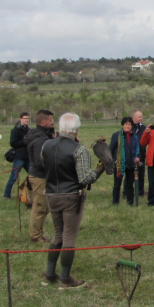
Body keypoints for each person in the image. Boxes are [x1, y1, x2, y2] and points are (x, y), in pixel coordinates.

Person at [40, 113, 106, 289]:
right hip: (71, 196)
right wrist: (101, 168)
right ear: (76, 129)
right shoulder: (79, 149)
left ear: (61, 128)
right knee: (69, 236)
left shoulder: (46, 145)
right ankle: (65, 278)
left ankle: (49, 275)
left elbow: (43, 165)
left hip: (51, 194)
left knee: (57, 233)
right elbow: (85, 179)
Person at [24, 109, 55, 242]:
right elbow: (39, 161)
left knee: (45, 207)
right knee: (39, 207)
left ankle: (39, 233)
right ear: (44, 122)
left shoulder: (43, 136)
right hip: (39, 177)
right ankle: (35, 236)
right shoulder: (39, 140)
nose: (53, 122)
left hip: (44, 176)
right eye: (50, 120)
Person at [109, 116, 139, 205]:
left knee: (130, 185)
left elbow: (138, 149)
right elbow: (111, 149)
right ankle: (115, 202)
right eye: (126, 124)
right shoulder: (116, 135)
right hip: (119, 164)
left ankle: (130, 202)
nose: (128, 126)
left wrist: (138, 157)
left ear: (132, 126)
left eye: (129, 124)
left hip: (131, 164)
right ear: (123, 125)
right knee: (117, 184)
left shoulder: (134, 136)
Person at [3, 112, 30, 199]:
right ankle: (7, 195)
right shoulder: (15, 130)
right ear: (20, 119)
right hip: (19, 157)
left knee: (34, 175)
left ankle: (31, 193)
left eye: (28, 118)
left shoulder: (29, 130)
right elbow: (13, 143)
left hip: (28, 157)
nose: (27, 120)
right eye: (25, 118)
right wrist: (24, 142)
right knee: (13, 177)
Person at [130, 110, 146, 196]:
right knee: (130, 175)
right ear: (134, 118)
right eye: (140, 117)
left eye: (142, 117)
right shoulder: (129, 127)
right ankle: (127, 192)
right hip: (130, 154)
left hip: (141, 154)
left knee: (141, 174)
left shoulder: (144, 128)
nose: (141, 118)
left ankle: (140, 192)